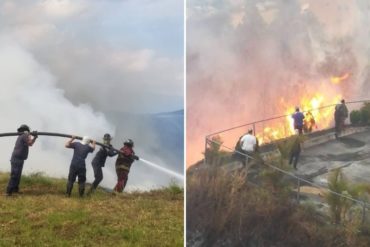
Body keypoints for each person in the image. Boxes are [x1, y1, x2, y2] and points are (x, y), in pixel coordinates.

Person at [6, 124, 38, 196]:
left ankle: (15, 189)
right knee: (15, 175)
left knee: (17, 175)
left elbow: (30, 143)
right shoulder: (24, 135)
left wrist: (34, 137)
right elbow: (30, 143)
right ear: (26, 130)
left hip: (18, 158)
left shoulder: (21, 136)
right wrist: (33, 137)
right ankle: (9, 192)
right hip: (17, 159)